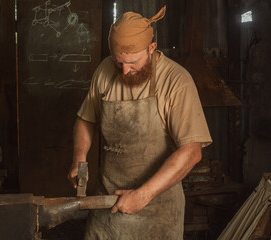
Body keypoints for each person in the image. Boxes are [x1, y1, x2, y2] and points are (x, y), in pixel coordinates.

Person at [67, 6, 212, 239]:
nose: (124, 71)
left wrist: (143, 195)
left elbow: (192, 151)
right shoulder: (105, 70)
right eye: (118, 61)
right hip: (107, 204)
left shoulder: (176, 80)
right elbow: (86, 119)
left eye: (133, 62)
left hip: (157, 206)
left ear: (152, 48)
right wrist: (79, 159)